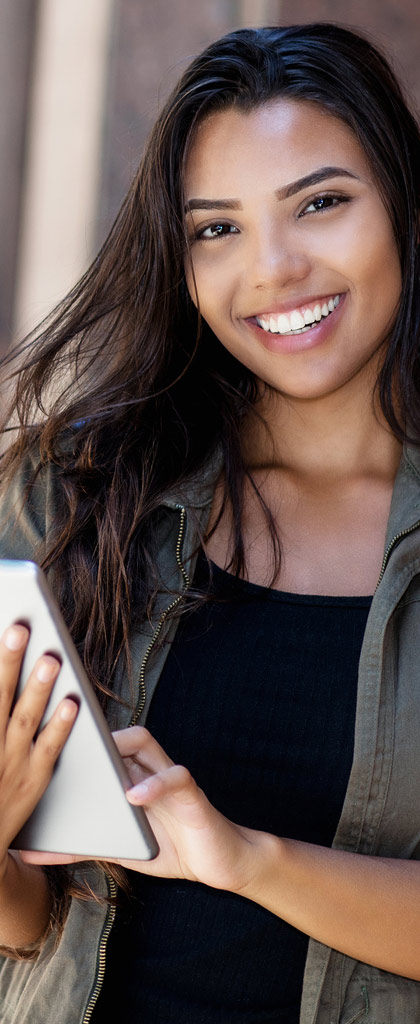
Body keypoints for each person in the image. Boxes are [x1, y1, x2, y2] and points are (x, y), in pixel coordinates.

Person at [0, 19, 419, 1023]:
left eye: (319, 203)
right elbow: (33, 925)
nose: (271, 268)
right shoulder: (79, 493)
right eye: (217, 227)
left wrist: (243, 858)